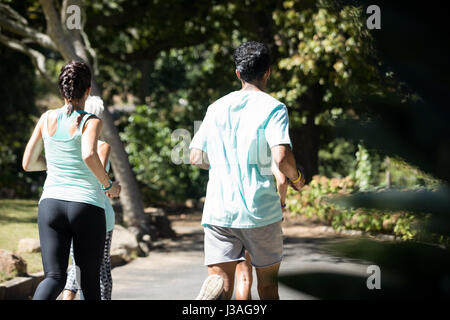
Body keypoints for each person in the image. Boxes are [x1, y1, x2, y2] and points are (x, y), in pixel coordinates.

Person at [190, 41, 305, 300]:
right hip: (259, 212)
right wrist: (296, 179)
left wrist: (223, 162)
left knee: (223, 284)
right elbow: (282, 156)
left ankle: (213, 291)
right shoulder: (273, 108)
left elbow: (196, 156)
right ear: (268, 72)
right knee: (267, 287)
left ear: (238, 74)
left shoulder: (215, 108)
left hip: (219, 210)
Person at [22, 61, 121, 300]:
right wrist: (109, 185)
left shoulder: (46, 118)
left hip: (50, 205)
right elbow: (89, 154)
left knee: (53, 277)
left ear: (62, 90)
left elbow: (27, 163)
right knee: (89, 281)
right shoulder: (91, 120)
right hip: (86, 206)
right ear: (88, 91)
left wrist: (55, 165)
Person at [61, 96, 115, 301]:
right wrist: (112, 186)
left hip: (69, 208)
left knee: (75, 267)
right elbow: (100, 180)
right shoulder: (102, 146)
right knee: (101, 269)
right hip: (98, 212)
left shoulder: (66, 142)